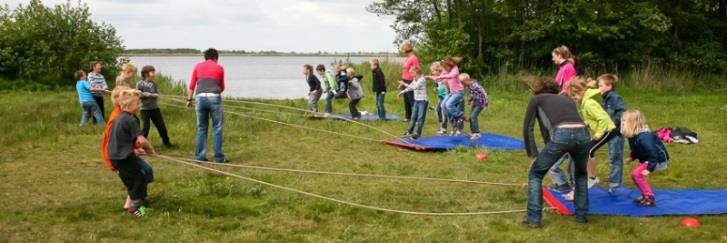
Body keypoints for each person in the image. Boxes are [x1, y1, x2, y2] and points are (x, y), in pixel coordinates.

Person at [521, 77, 590, 228]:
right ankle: (581, 217)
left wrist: (533, 155)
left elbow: (528, 128)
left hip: (562, 133)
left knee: (535, 174)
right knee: (581, 175)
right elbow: (550, 130)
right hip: (583, 134)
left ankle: (533, 218)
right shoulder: (568, 100)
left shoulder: (537, 100)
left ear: (536, 90)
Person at [102, 86, 155, 211]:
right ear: (128, 105)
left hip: (118, 156)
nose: (139, 105)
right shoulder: (130, 120)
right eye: (137, 103)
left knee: (136, 179)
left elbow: (121, 139)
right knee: (138, 180)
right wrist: (150, 149)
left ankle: (137, 204)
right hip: (123, 157)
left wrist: (133, 150)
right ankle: (134, 209)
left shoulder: (119, 118)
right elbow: (142, 140)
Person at [568, 77, 617, 189]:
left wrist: (598, 134)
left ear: (581, 92)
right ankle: (592, 177)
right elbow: (592, 118)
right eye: (571, 97)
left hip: (608, 130)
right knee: (588, 151)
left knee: (589, 150)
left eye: (574, 96)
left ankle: (592, 178)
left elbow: (603, 119)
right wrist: (585, 123)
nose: (573, 98)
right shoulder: (584, 103)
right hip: (603, 129)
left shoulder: (589, 103)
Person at [186, 48, 227, 163]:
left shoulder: (197, 66)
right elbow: (222, 87)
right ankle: (218, 158)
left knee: (202, 128)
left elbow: (192, 85)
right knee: (217, 129)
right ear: (215, 57)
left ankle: (200, 157)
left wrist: (189, 99)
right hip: (214, 97)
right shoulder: (219, 68)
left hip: (200, 98)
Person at [621, 109, 669, 207]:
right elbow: (637, 148)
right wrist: (632, 157)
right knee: (635, 175)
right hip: (648, 158)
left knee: (636, 174)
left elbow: (654, 153)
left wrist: (649, 169)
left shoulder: (644, 137)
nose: (621, 123)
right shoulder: (633, 135)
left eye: (624, 121)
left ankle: (650, 198)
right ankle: (645, 195)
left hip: (656, 160)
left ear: (632, 123)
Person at [598, 73, 627, 193]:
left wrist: (612, 123)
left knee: (615, 157)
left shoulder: (614, 97)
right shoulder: (606, 98)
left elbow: (622, 111)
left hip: (616, 133)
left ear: (609, 86)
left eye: (600, 85)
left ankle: (615, 182)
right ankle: (614, 177)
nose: (598, 88)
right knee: (612, 156)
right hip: (609, 132)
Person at [136, 65, 174, 147]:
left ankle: (166, 143)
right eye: (152, 72)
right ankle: (141, 145)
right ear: (146, 74)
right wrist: (146, 95)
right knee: (146, 127)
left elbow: (156, 93)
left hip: (155, 108)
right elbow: (138, 95)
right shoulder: (140, 83)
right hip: (144, 109)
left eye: (154, 72)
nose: (154, 74)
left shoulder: (154, 84)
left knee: (161, 126)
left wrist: (156, 95)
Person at [428, 57, 463, 135]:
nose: (432, 73)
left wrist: (447, 97)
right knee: (442, 108)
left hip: (453, 94)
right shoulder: (444, 74)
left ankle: (455, 126)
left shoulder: (450, 72)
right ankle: (449, 126)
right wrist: (429, 78)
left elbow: (448, 87)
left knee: (447, 108)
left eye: (433, 71)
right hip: (446, 95)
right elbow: (437, 80)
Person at [398, 66, 427, 139]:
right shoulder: (415, 79)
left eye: (411, 72)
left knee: (420, 118)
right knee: (413, 117)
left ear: (416, 72)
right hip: (417, 101)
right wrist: (402, 92)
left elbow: (414, 87)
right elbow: (410, 86)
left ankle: (417, 133)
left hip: (423, 101)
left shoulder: (422, 79)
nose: (410, 74)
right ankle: (409, 132)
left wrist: (404, 83)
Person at [459, 73, 489, 140]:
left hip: (481, 103)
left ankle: (477, 133)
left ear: (467, 80)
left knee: (473, 116)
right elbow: (474, 94)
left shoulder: (475, 85)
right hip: (476, 103)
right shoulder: (469, 86)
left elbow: (484, 93)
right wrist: (470, 100)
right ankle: (473, 133)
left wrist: (486, 104)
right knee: (470, 117)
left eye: (463, 83)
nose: (462, 84)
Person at [399, 43, 420, 121]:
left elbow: (417, 70)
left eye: (403, 50)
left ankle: (417, 118)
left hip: (411, 81)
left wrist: (416, 81)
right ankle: (408, 117)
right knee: (406, 100)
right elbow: (405, 70)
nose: (402, 52)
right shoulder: (407, 58)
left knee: (412, 100)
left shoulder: (414, 58)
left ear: (407, 50)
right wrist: (402, 82)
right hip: (405, 80)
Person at [428, 62, 448, 135]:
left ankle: (444, 128)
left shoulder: (443, 76)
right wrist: (437, 88)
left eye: (433, 71)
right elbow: (440, 86)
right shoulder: (437, 79)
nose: (432, 73)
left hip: (446, 96)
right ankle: (441, 125)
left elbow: (446, 86)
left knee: (444, 112)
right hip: (441, 96)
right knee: (438, 110)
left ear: (438, 70)